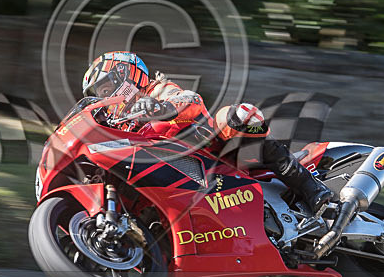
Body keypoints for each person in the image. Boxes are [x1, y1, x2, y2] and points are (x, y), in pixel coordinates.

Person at [81, 51, 333, 214]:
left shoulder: (157, 91)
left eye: (106, 88)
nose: (105, 98)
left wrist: (160, 107)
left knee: (238, 116)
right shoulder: (124, 128)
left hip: (220, 156)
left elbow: (191, 100)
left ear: (126, 75)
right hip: (183, 185)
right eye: (101, 95)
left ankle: (312, 190)